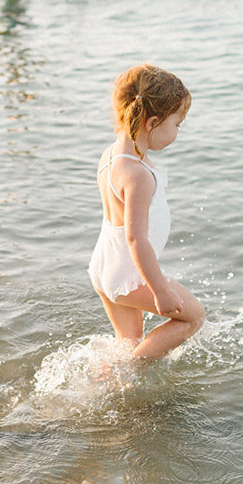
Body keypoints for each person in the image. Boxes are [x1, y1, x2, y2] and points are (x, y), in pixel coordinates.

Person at [88, 64, 206, 362]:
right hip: (128, 273)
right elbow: (135, 239)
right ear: (153, 122)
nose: (177, 132)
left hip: (105, 267)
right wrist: (160, 290)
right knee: (193, 318)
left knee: (128, 342)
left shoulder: (113, 154)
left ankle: (107, 385)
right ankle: (128, 374)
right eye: (177, 124)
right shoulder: (137, 174)